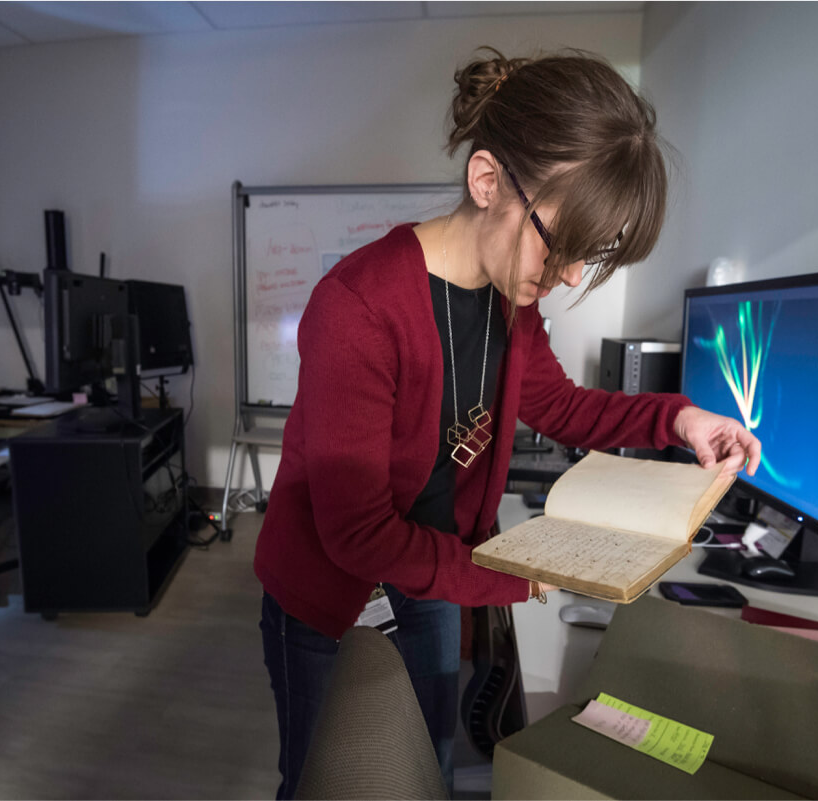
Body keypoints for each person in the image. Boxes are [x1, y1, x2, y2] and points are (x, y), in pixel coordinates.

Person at [254, 47, 761, 798]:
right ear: (487, 180)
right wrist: (509, 576)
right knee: (329, 781)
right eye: (562, 246)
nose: (564, 278)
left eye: (587, 260)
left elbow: (558, 405)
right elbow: (355, 533)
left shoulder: (509, 303)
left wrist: (678, 418)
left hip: (427, 579)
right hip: (330, 597)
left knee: (424, 763)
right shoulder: (358, 308)